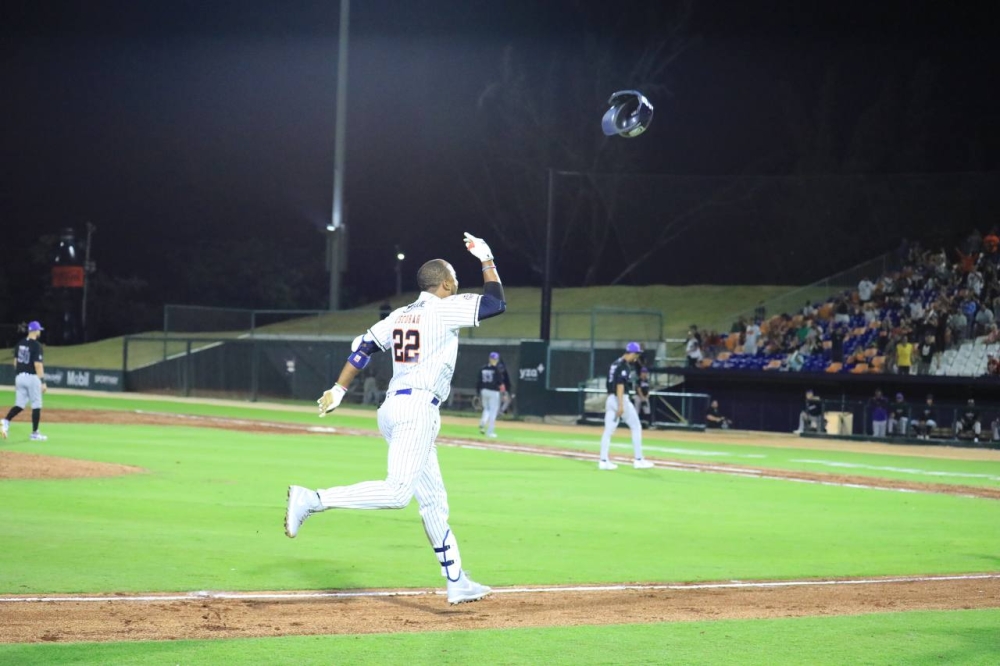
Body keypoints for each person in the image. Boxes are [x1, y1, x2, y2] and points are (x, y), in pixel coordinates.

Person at [284, 232, 505, 605]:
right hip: (417, 409)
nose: (457, 286)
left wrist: (338, 389)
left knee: (434, 500)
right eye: (454, 281)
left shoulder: (399, 315)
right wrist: (486, 258)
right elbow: (496, 303)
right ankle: (312, 499)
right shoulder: (442, 308)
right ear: (447, 284)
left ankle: (456, 580)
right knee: (399, 493)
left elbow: (362, 348)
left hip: (393, 409)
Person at [598, 342, 653, 470]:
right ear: (632, 353)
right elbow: (620, 385)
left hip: (611, 399)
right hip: (620, 399)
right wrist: (621, 405)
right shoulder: (624, 366)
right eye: (637, 354)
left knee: (608, 431)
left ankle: (603, 460)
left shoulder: (615, 363)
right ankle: (639, 460)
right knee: (636, 427)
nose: (637, 357)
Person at [2, 321, 48, 441]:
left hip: (19, 377)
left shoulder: (20, 344)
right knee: (36, 404)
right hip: (32, 377)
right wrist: (42, 381)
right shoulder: (37, 346)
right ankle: (35, 433)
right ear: (35, 331)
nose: (39, 332)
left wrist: (20, 376)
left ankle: (5, 421)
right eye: (39, 330)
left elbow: (15, 363)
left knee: (19, 405)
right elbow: (38, 364)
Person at [476, 352, 504, 438]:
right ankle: (490, 432)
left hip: (484, 390)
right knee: (493, 411)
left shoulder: (483, 368)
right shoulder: (497, 369)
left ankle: (483, 422)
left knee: (486, 409)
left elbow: (479, 381)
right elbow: (500, 381)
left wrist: (478, 392)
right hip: (493, 391)